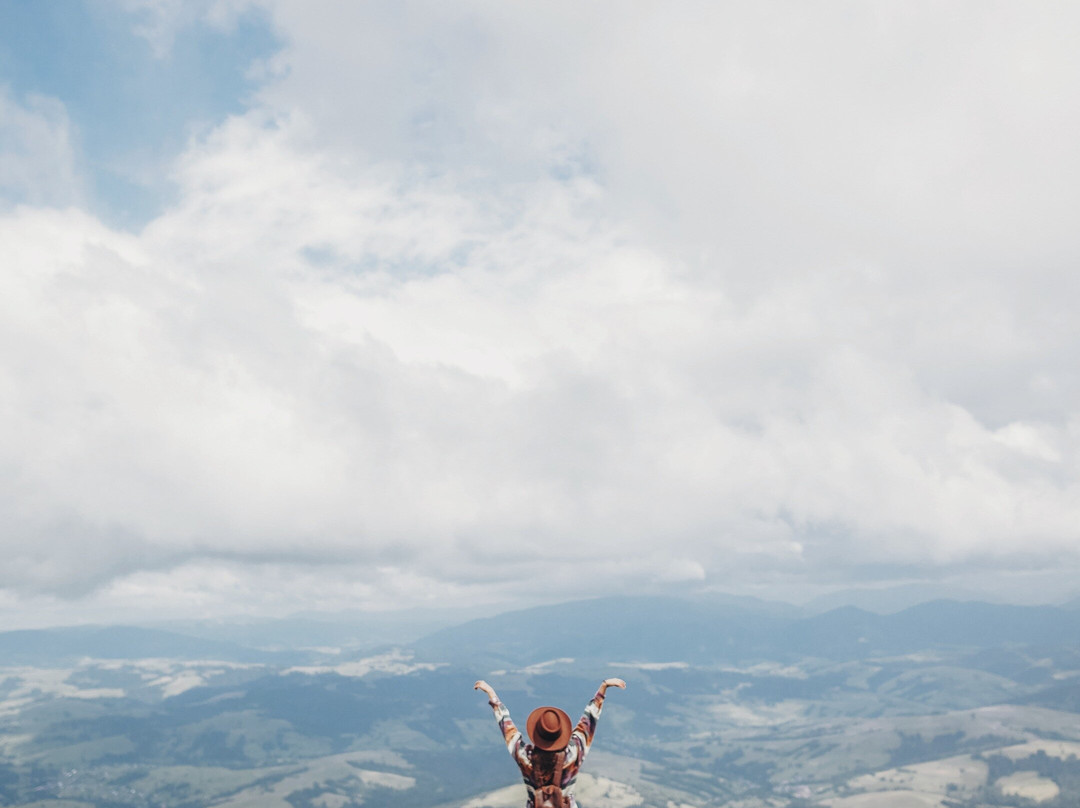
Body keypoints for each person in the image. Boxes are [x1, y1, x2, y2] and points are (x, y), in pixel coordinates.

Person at [474, 676, 626, 808]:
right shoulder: (574, 753)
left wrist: (492, 696)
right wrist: (603, 688)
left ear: (537, 733)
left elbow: (508, 729)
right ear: (561, 733)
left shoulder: (525, 757)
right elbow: (587, 723)